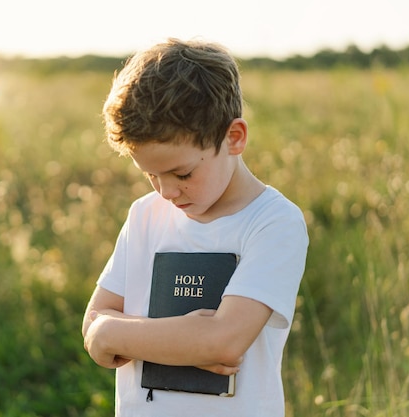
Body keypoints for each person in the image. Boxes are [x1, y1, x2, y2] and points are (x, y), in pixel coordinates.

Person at [82, 38, 308, 417]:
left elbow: (223, 342)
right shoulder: (145, 216)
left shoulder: (273, 222)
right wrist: (181, 338)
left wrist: (115, 333)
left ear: (233, 137)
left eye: (182, 173)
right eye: (151, 175)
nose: (167, 191)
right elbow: (93, 325)